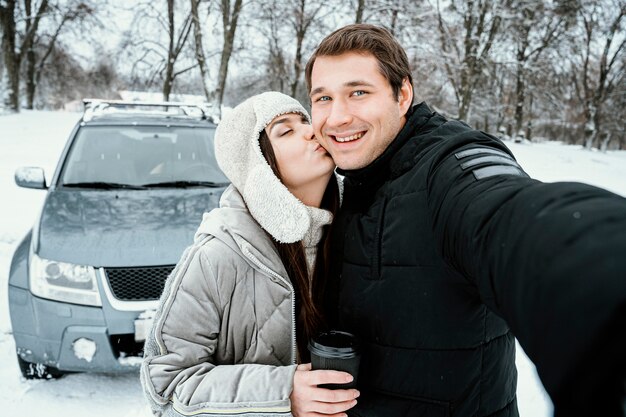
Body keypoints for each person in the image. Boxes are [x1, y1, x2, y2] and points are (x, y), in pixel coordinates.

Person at [305, 24, 626, 417]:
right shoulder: (344, 183)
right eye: (323, 97)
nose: (337, 117)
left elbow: (514, 219)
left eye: (358, 92)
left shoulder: (452, 166)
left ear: (402, 94)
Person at [141, 92, 360, 417]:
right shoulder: (216, 256)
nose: (311, 130)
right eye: (286, 131)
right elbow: (166, 387)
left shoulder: (357, 236)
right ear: (259, 165)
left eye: (305, 120)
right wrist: (282, 394)